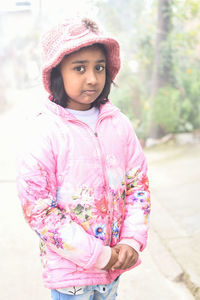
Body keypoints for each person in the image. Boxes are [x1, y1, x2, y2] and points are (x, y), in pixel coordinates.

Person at [17, 17, 151, 300]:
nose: (92, 78)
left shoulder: (119, 125)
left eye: (99, 68)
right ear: (56, 72)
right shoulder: (44, 130)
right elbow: (38, 210)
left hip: (113, 270)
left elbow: (137, 188)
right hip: (70, 276)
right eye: (80, 68)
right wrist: (98, 255)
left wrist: (131, 241)